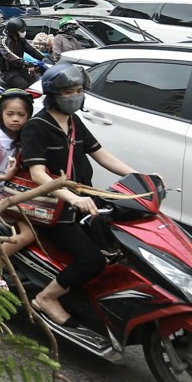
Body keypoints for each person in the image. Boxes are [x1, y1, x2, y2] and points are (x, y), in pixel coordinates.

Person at [21, 63, 139, 325]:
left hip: (85, 203)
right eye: (68, 91)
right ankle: (46, 297)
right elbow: (38, 173)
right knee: (92, 260)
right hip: (54, 208)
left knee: (116, 248)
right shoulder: (36, 126)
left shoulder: (74, 122)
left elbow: (102, 155)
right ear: (53, 94)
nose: (76, 95)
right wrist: (72, 198)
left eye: (79, 90)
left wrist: (140, 177)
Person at [0, 90, 37, 291]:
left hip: (20, 191)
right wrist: (5, 177)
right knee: (28, 234)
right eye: (10, 114)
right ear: (1, 114)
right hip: (2, 196)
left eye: (21, 115)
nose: (16, 119)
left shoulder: (28, 138)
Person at [0, 17, 46, 90]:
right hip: (9, 73)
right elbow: (9, 55)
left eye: (24, 29)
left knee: (35, 86)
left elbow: (32, 50)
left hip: (21, 70)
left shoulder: (21, 40)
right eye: (21, 30)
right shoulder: (3, 42)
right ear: (14, 31)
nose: (24, 32)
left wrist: (45, 59)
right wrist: (24, 62)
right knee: (24, 87)